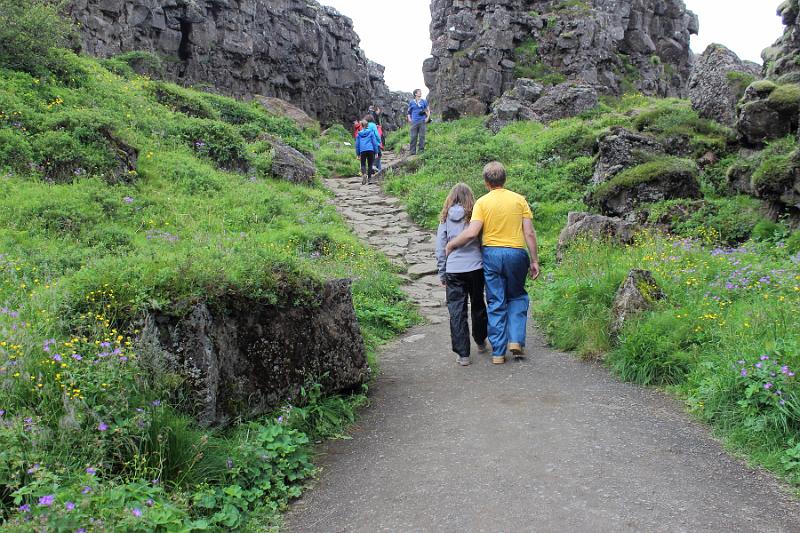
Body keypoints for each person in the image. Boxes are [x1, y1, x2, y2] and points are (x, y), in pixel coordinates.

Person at [445, 161, 540, 365]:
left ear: (486, 182)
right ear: (504, 179)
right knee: (517, 296)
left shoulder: (482, 202)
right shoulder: (519, 200)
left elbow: (471, 232)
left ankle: (498, 352)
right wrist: (534, 260)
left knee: (496, 300)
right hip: (516, 253)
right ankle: (515, 340)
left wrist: (451, 245)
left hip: (491, 255)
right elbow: (529, 232)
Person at [436, 183, 488, 366]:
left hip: (454, 270)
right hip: (476, 267)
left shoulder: (445, 219)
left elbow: (440, 248)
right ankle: (481, 341)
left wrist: (442, 272)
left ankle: (463, 354)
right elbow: (483, 241)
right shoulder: (475, 216)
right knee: (478, 304)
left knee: (457, 311)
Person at [355, 118, 380, 185]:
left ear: (361, 126)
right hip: (370, 150)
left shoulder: (359, 134)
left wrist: (357, 153)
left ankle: (364, 174)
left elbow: (357, 145)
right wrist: (376, 151)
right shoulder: (371, 133)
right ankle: (369, 179)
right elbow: (374, 143)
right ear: (367, 125)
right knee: (370, 165)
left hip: (362, 150)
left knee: (363, 164)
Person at [407, 89, 430, 155]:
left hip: (422, 120)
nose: (420, 93)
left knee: (422, 136)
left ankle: (421, 151)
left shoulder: (424, 101)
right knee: (413, 136)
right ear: (415, 94)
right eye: (419, 92)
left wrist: (427, 118)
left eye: (420, 92)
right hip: (414, 121)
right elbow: (408, 112)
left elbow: (428, 110)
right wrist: (409, 119)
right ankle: (412, 152)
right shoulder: (411, 102)